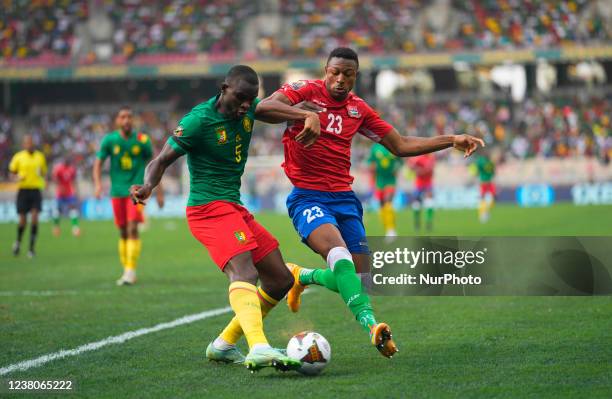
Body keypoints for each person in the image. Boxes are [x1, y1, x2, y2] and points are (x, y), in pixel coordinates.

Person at [264, 47, 484, 358]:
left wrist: (451, 140)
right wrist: (306, 114)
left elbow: (401, 144)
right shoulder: (303, 92)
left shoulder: (359, 110)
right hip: (308, 196)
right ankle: (373, 327)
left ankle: (302, 275)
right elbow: (263, 108)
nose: (340, 79)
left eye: (348, 74)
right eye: (335, 72)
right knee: (338, 256)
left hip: (344, 199)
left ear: (355, 77)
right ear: (326, 71)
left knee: (361, 279)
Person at [130, 65, 322, 371]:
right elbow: (161, 159)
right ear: (224, 89)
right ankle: (258, 346)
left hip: (234, 207)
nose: (246, 106)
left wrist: (300, 112)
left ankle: (223, 345)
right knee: (244, 272)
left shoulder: (247, 109)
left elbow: (269, 110)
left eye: (250, 100)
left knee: (280, 278)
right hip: (208, 209)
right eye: (241, 98)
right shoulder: (199, 120)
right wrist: (148, 185)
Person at [93, 106, 164, 285]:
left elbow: (156, 164)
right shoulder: (110, 140)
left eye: (129, 117)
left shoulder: (142, 140)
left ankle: (130, 270)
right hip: (117, 191)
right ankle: (127, 268)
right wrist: (98, 184)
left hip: (137, 191)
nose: (126, 120)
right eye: (122, 117)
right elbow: (98, 163)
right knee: (123, 231)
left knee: (132, 228)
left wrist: (159, 192)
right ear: (117, 121)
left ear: (133, 120)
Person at [9, 135, 47, 258]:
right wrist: (17, 177)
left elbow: (43, 172)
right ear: (24, 144)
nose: (29, 144)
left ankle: (31, 249)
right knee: (22, 220)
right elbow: (12, 174)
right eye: (27, 143)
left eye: (31, 142)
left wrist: (42, 180)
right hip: (23, 190)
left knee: (35, 217)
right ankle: (18, 242)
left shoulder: (40, 157)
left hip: (35, 190)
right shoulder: (18, 157)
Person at [368, 143, 401, 237]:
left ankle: (391, 231)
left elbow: (400, 161)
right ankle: (388, 229)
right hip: (379, 181)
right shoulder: (375, 148)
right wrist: (372, 171)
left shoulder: (392, 145)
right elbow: (371, 162)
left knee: (388, 202)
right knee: (382, 207)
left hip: (390, 180)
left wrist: (397, 168)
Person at [52, 157, 80, 237]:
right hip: (60, 193)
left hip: (69, 193)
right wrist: (59, 187)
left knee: (73, 209)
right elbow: (55, 179)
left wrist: (76, 191)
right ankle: (56, 228)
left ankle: (75, 228)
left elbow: (73, 180)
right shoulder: (59, 169)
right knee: (58, 210)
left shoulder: (71, 169)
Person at [407, 153, 436, 232]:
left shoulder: (431, 158)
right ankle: (417, 223)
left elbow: (430, 170)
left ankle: (429, 223)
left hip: (428, 184)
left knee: (429, 202)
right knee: (417, 205)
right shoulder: (419, 158)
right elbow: (411, 166)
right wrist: (417, 169)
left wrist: (421, 171)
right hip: (419, 185)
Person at [474, 152, 496, 223]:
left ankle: (485, 211)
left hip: (489, 182)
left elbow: (493, 172)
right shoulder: (482, 161)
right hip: (483, 183)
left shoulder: (490, 163)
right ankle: (482, 213)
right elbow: (477, 169)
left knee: (492, 198)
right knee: (483, 198)